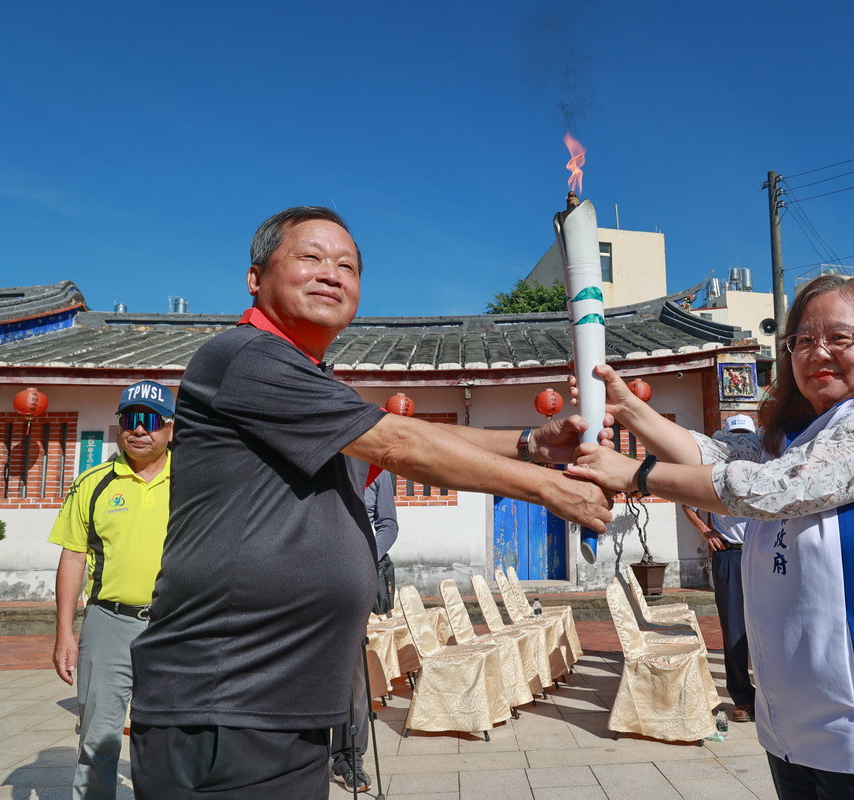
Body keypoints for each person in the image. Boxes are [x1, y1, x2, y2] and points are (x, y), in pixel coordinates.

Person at [128, 206, 612, 800]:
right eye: (310, 258)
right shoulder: (242, 357)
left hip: (287, 706)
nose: (332, 274)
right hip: (224, 701)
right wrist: (550, 488)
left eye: (347, 266)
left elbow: (394, 431)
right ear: (255, 278)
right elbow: (400, 441)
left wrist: (530, 443)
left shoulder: (315, 385)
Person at [569, 274, 854, 798]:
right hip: (799, 729)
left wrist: (635, 475)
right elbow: (719, 458)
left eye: (840, 337)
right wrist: (631, 409)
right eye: (803, 340)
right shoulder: (802, 436)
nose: (817, 352)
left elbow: (769, 488)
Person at [49, 380, 176, 800]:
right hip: (109, 624)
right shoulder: (93, 483)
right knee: (97, 738)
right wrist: (64, 633)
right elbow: (72, 558)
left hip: (177, 626)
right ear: (120, 425)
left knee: (170, 740)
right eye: (130, 420)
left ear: (171, 429)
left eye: (150, 420)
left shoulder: (196, 482)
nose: (139, 430)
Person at [680, 416, 756, 724]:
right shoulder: (713, 474)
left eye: (744, 437)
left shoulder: (764, 467)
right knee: (735, 628)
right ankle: (742, 698)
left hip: (763, 555)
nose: (740, 443)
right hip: (730, 557)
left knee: (771, 626)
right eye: (734, 437)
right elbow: (683, 498)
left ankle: (774, 694)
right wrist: (704, 530)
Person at [330, 469, 398, 792]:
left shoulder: (376, 470)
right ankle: (313, 755)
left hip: (354, 583)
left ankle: (349, 758)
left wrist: (364, 556)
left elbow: (389, 525)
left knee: (354, 678)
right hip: (315, 577)